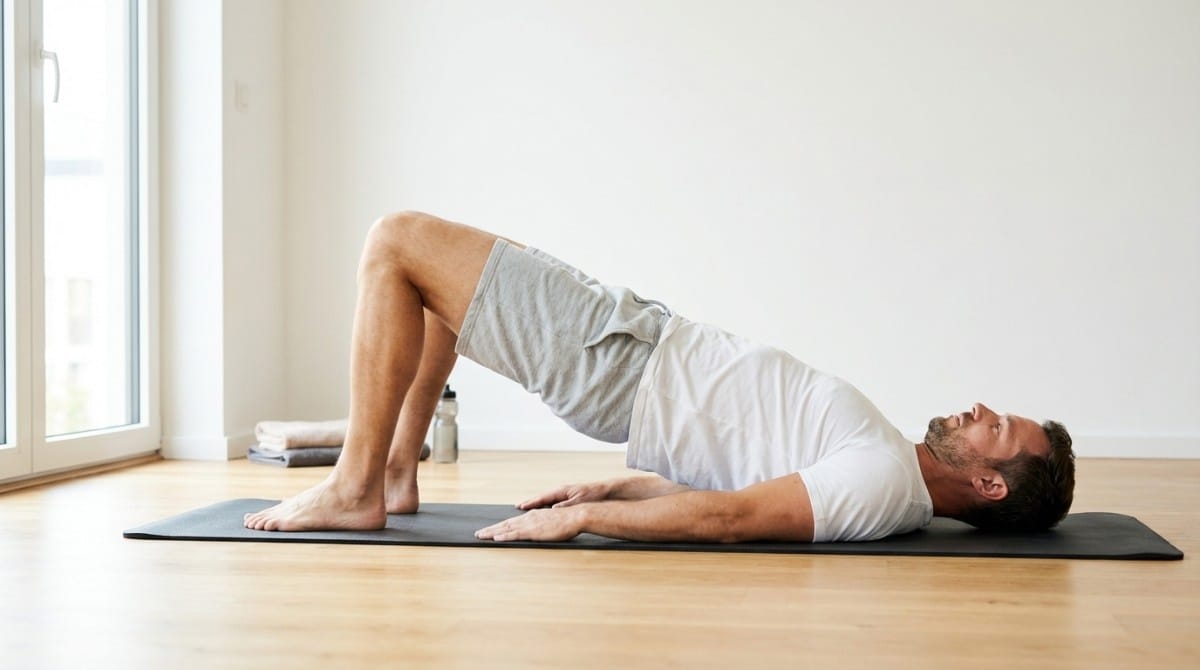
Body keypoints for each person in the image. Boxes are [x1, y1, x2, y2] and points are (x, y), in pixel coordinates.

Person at [243, 211, 1076, 542]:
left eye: (996, 428)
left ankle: (358, 486)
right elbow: (740, 462)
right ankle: (391, 472)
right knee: (433, 294)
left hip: (620, 361)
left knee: (396, 242)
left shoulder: (880, 485)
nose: (979, 409)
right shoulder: (891, 469)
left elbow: (733, 517)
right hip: (636, 343)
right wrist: (621, 488)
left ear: (990, 485)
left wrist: (586, 523)